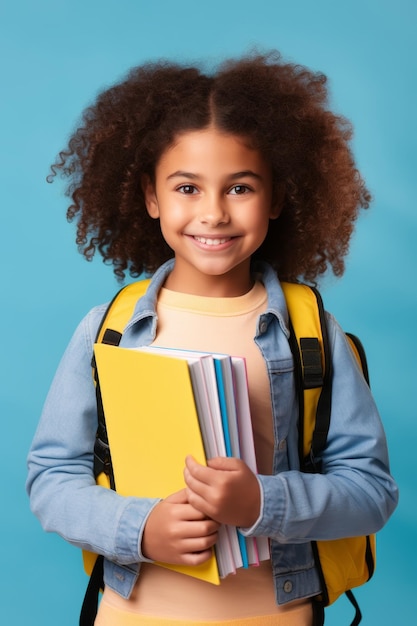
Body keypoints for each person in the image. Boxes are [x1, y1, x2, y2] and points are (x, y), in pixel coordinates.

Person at [26, 51, 398, 626]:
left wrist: (263, 503)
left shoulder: (310, 331)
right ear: (151, 198)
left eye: (241, 188)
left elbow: (371, 491)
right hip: (132, 613)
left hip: (276, 614)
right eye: (187, 188)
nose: (215, 213)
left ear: (276, 199)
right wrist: (140, 528)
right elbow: (52, 477)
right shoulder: (111, 329)